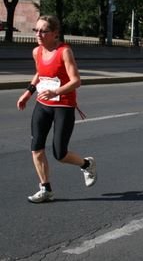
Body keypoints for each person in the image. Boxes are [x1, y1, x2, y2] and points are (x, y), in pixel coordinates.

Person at [16, 15, 97, 203]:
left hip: (63, 105)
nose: (38, 34)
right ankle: (46, 189)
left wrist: (56, 92)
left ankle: (86, 164)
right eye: (36, 30)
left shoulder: (64, 52)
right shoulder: (37, 51)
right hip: (43, 105)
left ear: (55, 33)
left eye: (43, 31)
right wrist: (28, 93)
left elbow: (77, 81)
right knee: (36, 147)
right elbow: (40, 73)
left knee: (60, 153)